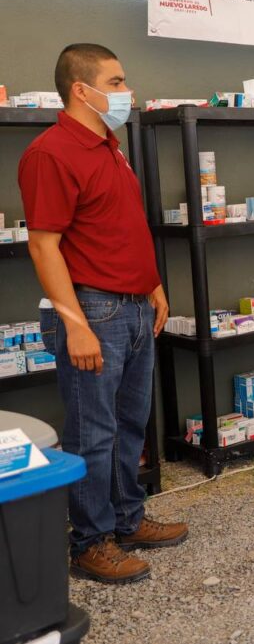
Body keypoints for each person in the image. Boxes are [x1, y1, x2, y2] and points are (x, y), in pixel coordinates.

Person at [18, 44, 187, 584]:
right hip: (93, 310)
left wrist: (154, 284)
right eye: (115, 82)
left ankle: (127, 519)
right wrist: (74, 322)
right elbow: (44, 246)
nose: (124, 91)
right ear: (81, 90)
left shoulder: (110, 147)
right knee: (93, 431)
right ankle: (90, 542)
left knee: (130, 424)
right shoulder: (51, 153)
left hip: (133, 307)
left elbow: (120, 227)